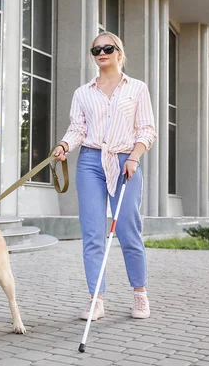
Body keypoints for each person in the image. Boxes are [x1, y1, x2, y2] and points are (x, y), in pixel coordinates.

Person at [52, 32, 157, 320]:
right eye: (96, 49)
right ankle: (96, 298)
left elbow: (147, 130)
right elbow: (77, 130)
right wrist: (63, 145)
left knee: (127, 229)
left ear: (119, 53)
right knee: (93, 234)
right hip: (90, 162)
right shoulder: (83, 92)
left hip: (126, 161)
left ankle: (140, 293)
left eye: (108, 48)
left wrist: (134, 157)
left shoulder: (136, 88)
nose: (101, 52)